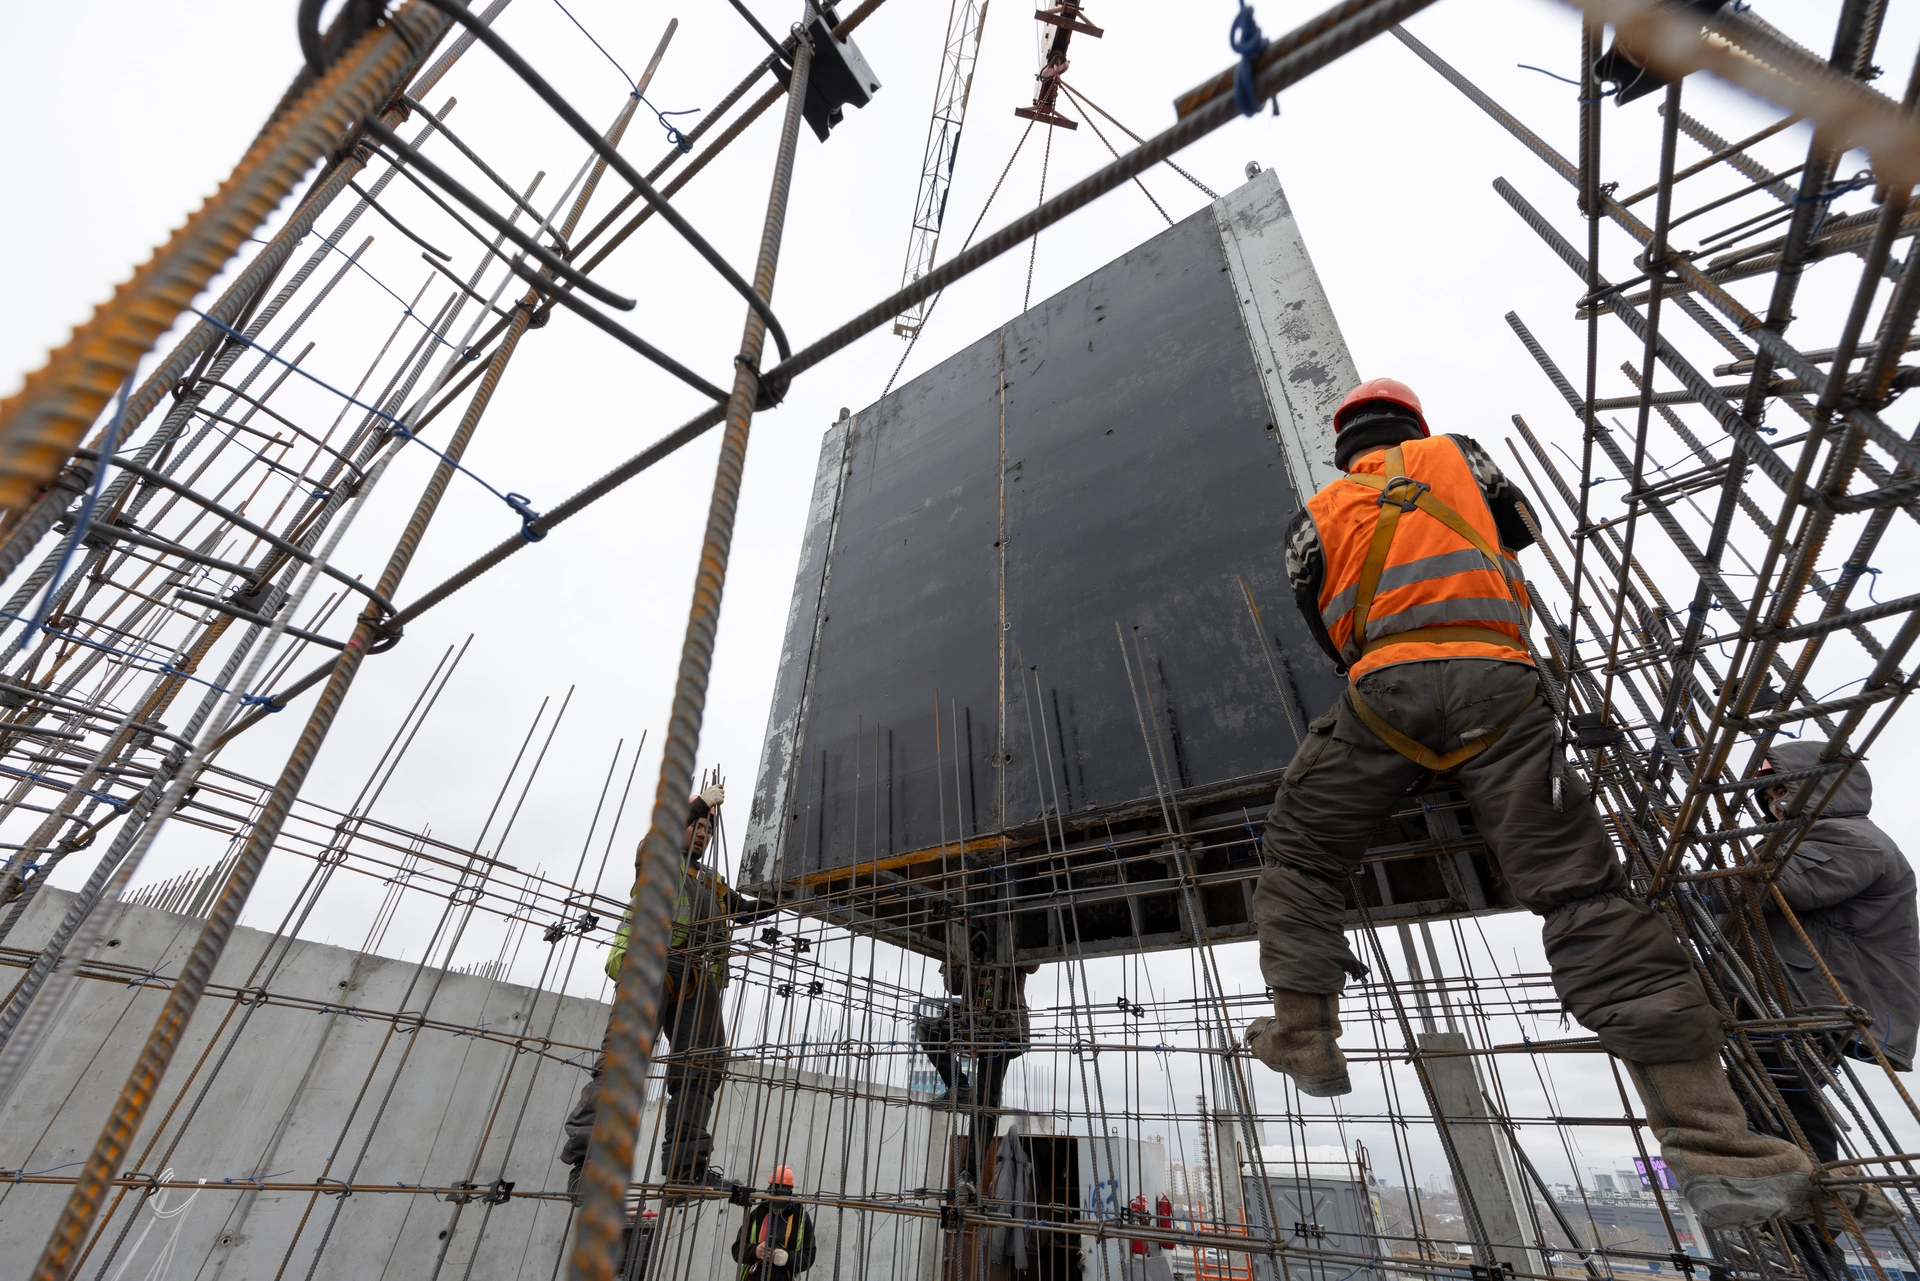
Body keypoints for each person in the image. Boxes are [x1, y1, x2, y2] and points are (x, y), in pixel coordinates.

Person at [1249, 377, 1815, 1230]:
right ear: (1414, 422)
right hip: (1502, 685)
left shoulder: (1317, 512)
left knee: (1302, 855)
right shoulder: (1461, 456)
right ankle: (1718, 1147)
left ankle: (1303, 1033)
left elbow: (1320, 619)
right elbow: (1519, 531)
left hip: (1385, 690)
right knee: (1581, 890)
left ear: (1344, 445)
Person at [1741, 740, 1916, 1225]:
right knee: (1766, 1096)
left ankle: (1825, 1201)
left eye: (1783, 789)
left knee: (1782, 1092)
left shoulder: (1852, 839)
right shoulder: (1808, 838)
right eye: (1769, 793)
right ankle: (1814, 1205)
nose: (1775, 801)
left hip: (1813, 999)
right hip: (1789, 992)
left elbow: (1770, 887)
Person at [562, 783, 736, 1193]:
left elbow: (748, 907)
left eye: (708, 830)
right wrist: (696, 803)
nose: (702, 834)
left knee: (703, 1062)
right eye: (696, 825)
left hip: (697, 972)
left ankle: (685, 1167)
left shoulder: (712, 881)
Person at [731, 1165, 817, 1281]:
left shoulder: (801, 1218)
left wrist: (787, 1258)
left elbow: (809, 1256)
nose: (777, 1209)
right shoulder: (758, 1214)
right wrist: (755, 1251)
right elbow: (737, 1250)